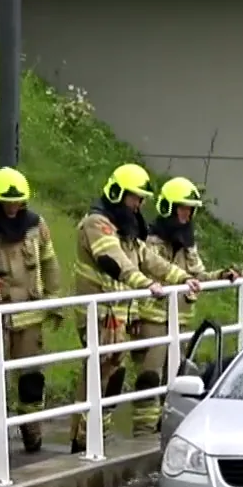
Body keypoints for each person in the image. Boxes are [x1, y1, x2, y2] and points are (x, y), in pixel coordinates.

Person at [72, 164, 198, 453]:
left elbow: (149, 259)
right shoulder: (97, 224)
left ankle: (95, 436)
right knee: (100, 376)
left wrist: (183, 277)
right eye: (135, 198)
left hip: (117, 315)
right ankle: (82, 439)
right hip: (100, 315)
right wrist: (144, 283)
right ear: (117, 194)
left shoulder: (125, 230)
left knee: (113, 378)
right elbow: (112, 260)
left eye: (141, 199)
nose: (139, 205)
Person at [0, 167, 63, 457]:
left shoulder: (36, 227)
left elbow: (51, 263)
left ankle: (31, 429)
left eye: (17, 202)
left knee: (31, 377)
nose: (13, 207)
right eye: (7, 202)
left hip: (30, 317)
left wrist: (54, 301)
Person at [133, 177, 239, 433]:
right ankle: (144, 432)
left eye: (190, 209)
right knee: (151, 376)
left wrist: (221, 275)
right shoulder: (149, 241)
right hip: (153, 318)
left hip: (179, 320)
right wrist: (134, 315)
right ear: (169, 208)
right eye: (181, 208)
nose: (186, 214)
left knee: (176, 377)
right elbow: (139, 276)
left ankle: (168, 427)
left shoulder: (187, 242)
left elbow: (197, 274)